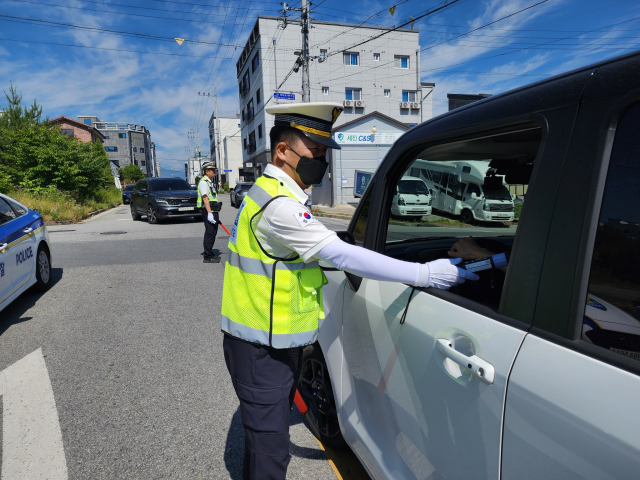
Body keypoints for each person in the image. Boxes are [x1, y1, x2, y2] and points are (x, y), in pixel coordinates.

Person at [220, 102, 479, 480]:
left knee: (264, 443)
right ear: (282, 151)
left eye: (325, 152)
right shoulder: (280, 207)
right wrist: (424, 274)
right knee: (269, 453)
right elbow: (339, 253)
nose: (322, 160)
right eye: (316, 150)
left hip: (267, 341)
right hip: (262, 350)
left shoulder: (270, 191)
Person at [198, 162, 220, 263]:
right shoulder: (203, 183)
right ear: (207, 171)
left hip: (213, 211)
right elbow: (205, 199)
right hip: (208, 212)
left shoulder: (209, 182)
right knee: (210, 233)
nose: (214, 172)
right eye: (212, 170)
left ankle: (210, 253)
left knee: (213, 233)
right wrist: (210, 214)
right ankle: (207, 256)